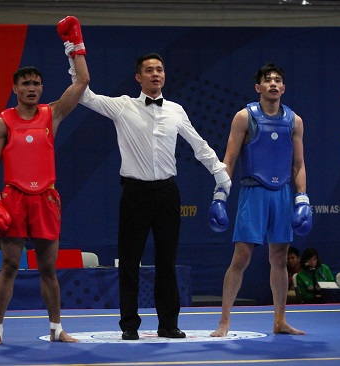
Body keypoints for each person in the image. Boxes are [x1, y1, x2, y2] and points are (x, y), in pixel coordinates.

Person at [69, 51, 231, 340]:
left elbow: (199, 144)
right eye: (149, 70)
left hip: (167, 193)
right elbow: (85, 96)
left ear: (164, 75)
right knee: (129, 262)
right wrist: (75, 54)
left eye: (159, 69)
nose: (155, 74)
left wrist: (220, 173)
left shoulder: (176, 110)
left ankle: (168, 324)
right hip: (135, 193)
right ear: (138, 77)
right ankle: (129, 325)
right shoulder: (122, 106)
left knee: (167, 262)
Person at [0, 16, 89, 345]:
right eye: (25, 83)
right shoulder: (3, 122)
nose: (31, 88)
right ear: (15, 88)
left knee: (48, 268)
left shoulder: (51, 114)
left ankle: (57, 328)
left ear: (42, 88)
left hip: (46, 199)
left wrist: (75, 44)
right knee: (10, 265)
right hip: (14, 199)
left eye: (36, 84)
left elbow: (82, 82)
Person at [211, 63, 311, 337]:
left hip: (282, 195)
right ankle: (224, 320)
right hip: (253, 192)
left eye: (278, 80)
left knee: (279, 258)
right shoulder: (244, 117)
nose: (274, 84)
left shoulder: (294, 120)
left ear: (284, 87)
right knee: (241, 257)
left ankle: (280, 320)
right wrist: (220, 194)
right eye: (268, 80)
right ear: (258, 87)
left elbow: (298, 164)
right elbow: (228, 160)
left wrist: (302, 198)